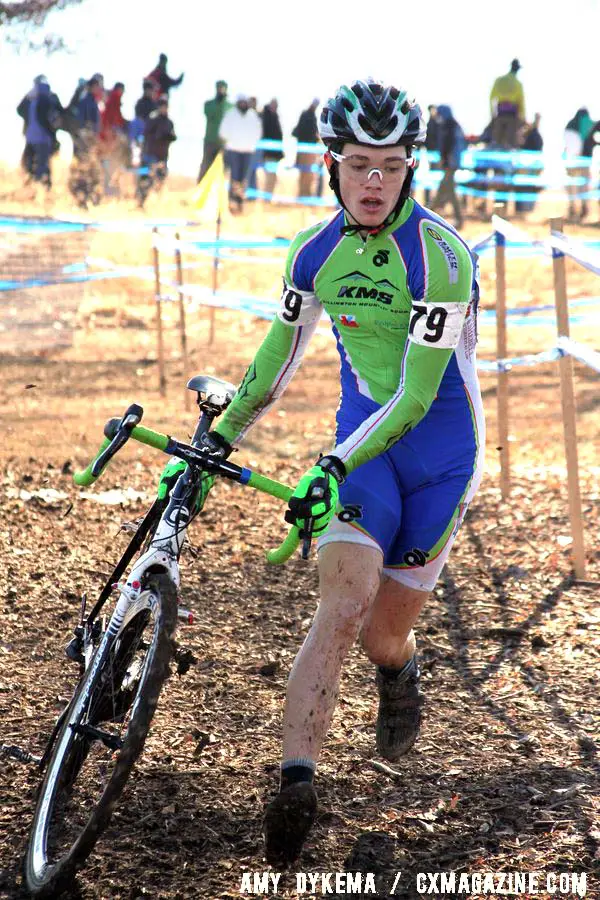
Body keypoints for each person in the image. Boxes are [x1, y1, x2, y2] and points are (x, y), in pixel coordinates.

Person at [163, 77, 484, 865]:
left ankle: (403, 669)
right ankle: (295, 783)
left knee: (381, 637)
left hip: (441, 459)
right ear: (330, 165)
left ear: (412, 168)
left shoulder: (441, 257)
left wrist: (333, 457)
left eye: (390, 165)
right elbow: (277, 360)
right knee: (342, 603)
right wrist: (221, 441)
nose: (374, 181)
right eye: (358, 164)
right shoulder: (314, 254)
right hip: (362, 451)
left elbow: (414, 395)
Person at [219, 93, 262, 212]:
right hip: (233, 150)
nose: (243, 104)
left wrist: (251, 144)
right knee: (234, 177)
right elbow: (223, 132)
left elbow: (258, 132)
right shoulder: (230, 115)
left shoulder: (253, 116)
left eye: (245, 102)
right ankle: (232, 203)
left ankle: (240, 203)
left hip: (248, 151)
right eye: (241, 102)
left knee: (244, 179)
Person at [431, 104, 466, 228]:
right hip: (450, 163)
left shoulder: (450, 126)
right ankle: (431, 213)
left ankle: (430, 214)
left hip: (451, 164)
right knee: (446, 190)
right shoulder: (448, 125)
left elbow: (451, 146)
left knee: (448, 190)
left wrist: (448, 161)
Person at [198, 80, 231, 182]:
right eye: (219, 88)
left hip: (224, 142)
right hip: (210, 140)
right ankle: (200, 187)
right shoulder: (209, 104)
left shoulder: (230, 106)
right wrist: (220, 102)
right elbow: (211, 114)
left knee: (223, 168)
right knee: (206, 166)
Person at [564, 108, 593, 222]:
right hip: (582, 160)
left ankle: (574, 209)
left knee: (572, 186)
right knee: (582, 186)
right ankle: (581, 208)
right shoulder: (586, 124)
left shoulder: (570, 125)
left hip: (571, 159)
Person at [489, 59, 525, 149]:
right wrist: (522, 117)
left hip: (500, 114)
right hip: (512, 116)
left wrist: (492, 114)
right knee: (511, 143)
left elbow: (491, 98)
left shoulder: (499, 80)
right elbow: (521, 102)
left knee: (497, 141)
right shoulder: (517, 84)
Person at [292, 98, 320, 199]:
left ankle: (307, 194)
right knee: (304, 173)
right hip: (304, 149)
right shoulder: (305, 115)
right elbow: (301, 131)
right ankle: (302, 194)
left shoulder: (313, 116)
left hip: (310, 149)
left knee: (309, 173)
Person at [260, 98, 284, 199]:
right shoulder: (265, 117)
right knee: (270, 176)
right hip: (268, 153)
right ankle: (267, 197)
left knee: (272, 177)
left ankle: (268, 196)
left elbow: (278, 135)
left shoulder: (275, 116)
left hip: (275, 153)